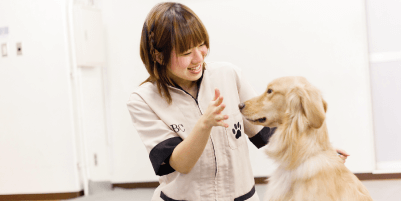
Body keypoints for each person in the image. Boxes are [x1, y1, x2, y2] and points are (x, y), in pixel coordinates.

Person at [127, 2, 348, 200]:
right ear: (158, 56)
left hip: (240, 196)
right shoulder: (143, 100)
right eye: (186, 52)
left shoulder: (228, 75)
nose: (199, 57)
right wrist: (204, 125)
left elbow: (267, 133)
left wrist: (320, 152)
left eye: (201, 45)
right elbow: (180, 164)